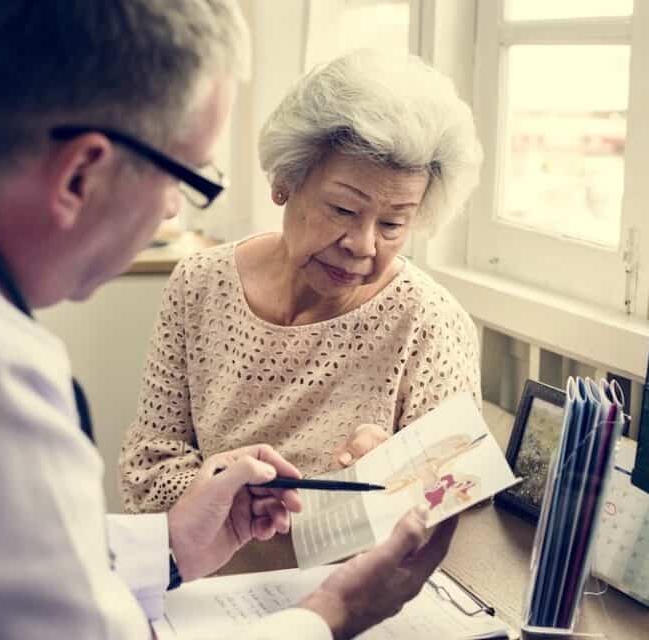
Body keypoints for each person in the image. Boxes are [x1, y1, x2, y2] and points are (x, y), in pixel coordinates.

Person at [0, 2, 458, 639]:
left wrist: (168, 546)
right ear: (82, 172)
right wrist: (331, 616)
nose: (172, 215)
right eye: (187, 179)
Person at [117, 50, 484, 566]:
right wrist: (233, 491)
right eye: (344, 209)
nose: (362, 243)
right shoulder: (198, 286)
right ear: (285, 180)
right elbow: (147, 470)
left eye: (393, 224)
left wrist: (396, 478)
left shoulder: (431, 322)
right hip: (203, 587)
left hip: (346, 601)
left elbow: (458, 499)